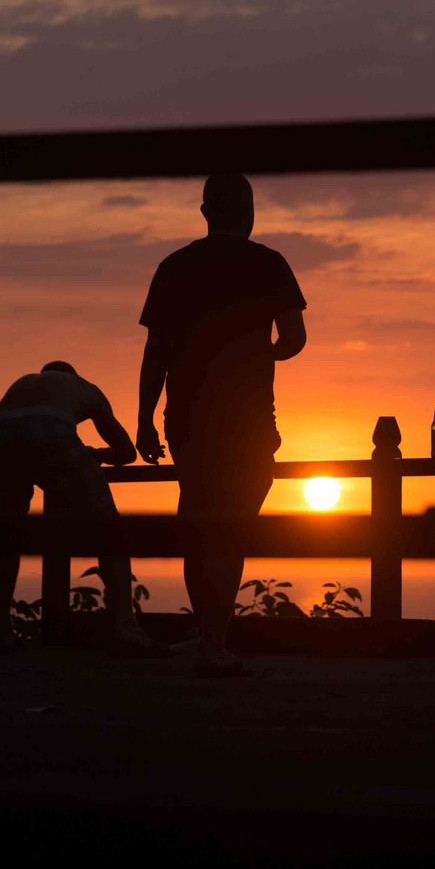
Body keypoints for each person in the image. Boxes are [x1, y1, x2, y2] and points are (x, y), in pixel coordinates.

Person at [136, 172, 306, 678]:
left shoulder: (174, 267)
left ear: (206, 211)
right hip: (249, 419)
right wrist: (259, 356)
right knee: (232, 529)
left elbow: (156, 353)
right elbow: (295, 338)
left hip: (186, 417)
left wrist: (143, 420)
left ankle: (207, 637)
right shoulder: (270, 264)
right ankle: (214, 642)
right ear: (249, 212)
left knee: (198, 520)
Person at [0, 361, 160, 655]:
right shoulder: (87, 389)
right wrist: (95, 454)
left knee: (8, 531)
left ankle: (3, 630)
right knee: (110, 531)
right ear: (74, 376)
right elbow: (127, 453)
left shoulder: (27, 383)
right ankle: (126, 628)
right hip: (51, 428)